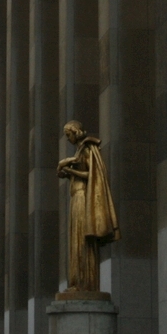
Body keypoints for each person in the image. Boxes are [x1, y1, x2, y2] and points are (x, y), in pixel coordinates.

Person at [56, 120, 120, 292]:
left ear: (75, 132)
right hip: (76, 197)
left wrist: (70, 171)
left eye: (68, 135)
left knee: (82, 240)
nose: (68, 138)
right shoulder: (79, 150)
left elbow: (91, 174)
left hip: (83, 197)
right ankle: (77, 282)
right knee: (76, 241)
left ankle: (85, 284)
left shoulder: (87, 148)